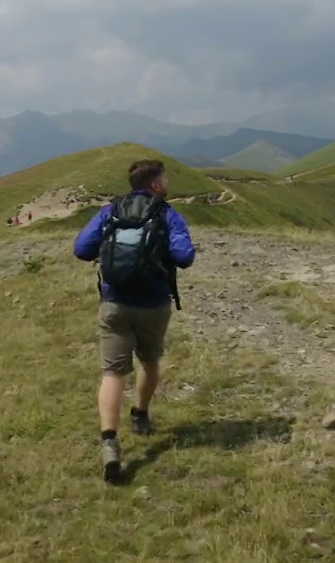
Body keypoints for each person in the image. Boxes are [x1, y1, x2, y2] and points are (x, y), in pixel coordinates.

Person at [73, 159, 196, 482]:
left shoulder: (110, 211)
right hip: (153, 304)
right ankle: (140, 414)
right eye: (165, 178)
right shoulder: (167, 214)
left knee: (113, 373)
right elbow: (185, 257)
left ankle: (110, 442)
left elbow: (81, 249)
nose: (168, 182)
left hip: (114, 303)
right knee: (149, 361)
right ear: (154, 185)